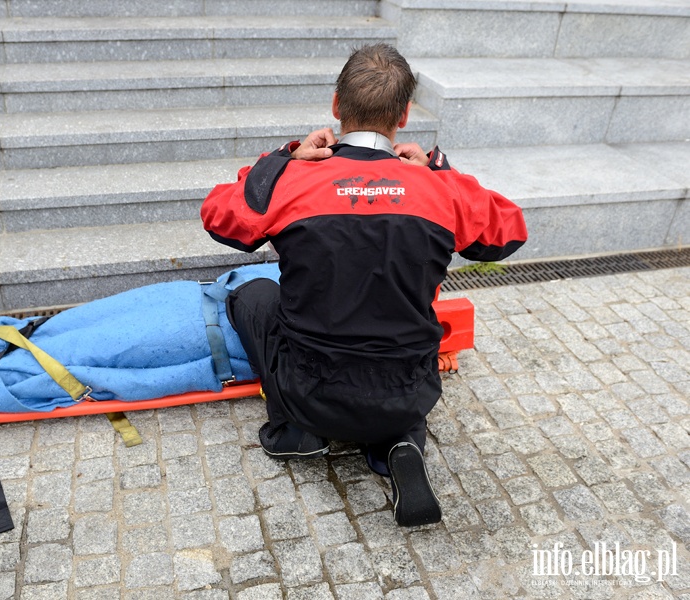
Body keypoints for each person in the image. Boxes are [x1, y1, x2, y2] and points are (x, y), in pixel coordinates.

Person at [200, 43, 528, 526]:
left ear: (336, 107)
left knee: (250, 294)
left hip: (310, 390)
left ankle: (302, 432)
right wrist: (441, 171)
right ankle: (398, 441)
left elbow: (220, 216)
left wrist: (285, 156)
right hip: (406, 389)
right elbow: (508, 230)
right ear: (404, 115)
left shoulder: (292, 179)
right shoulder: (439, 189)